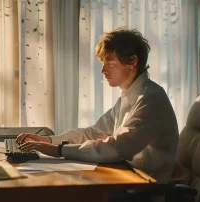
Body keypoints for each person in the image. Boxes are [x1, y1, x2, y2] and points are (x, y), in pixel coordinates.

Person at [16, 28, 179, 184]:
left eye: (109, 62)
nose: (102, 70)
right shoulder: (130, 96)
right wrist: (49, 140)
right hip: (123, 178)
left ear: (132, 61)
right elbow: (94, 133)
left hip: (141, 188)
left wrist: (59, 150)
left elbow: (117, 148)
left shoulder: (151, 99)